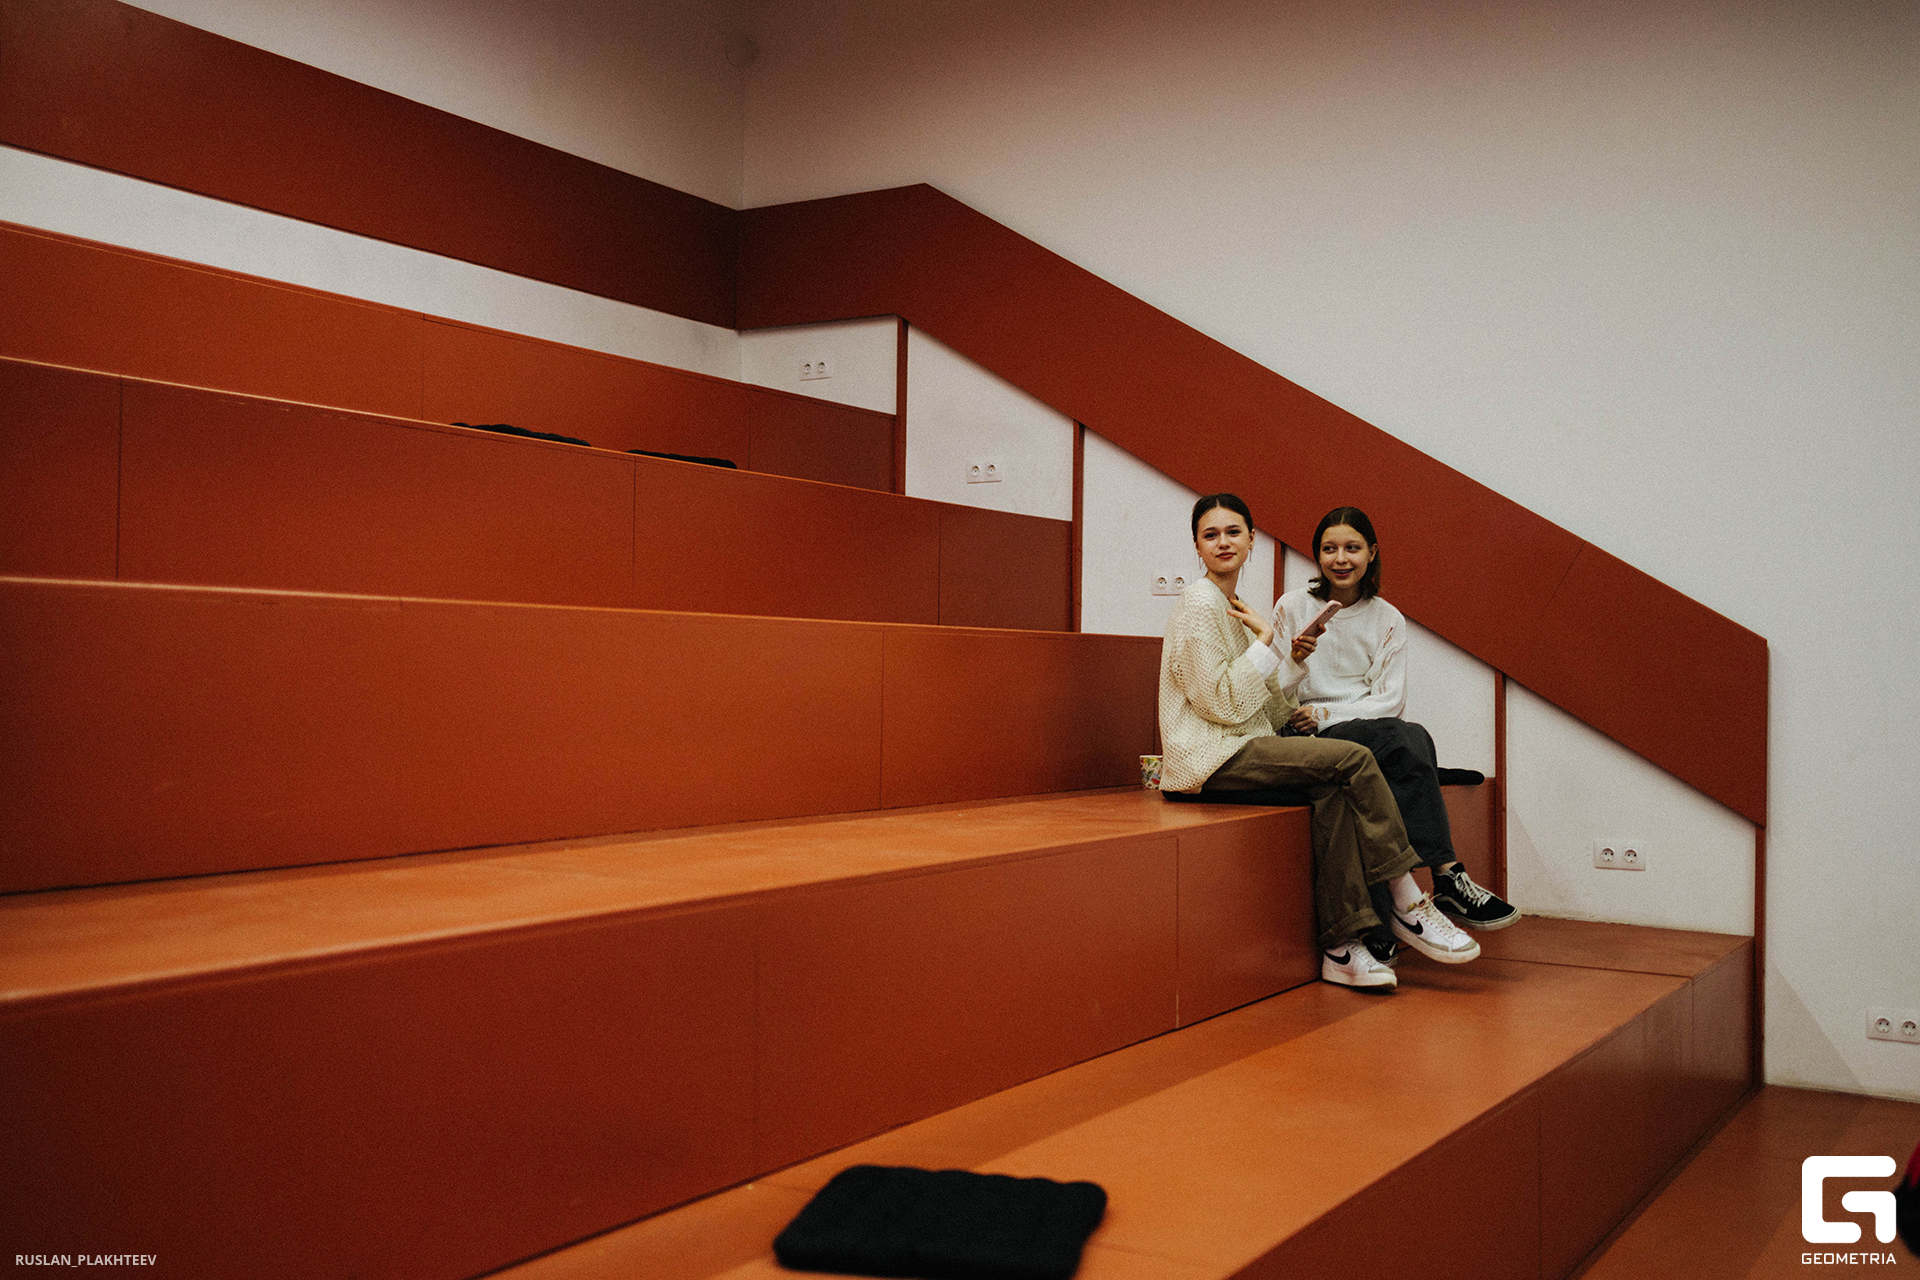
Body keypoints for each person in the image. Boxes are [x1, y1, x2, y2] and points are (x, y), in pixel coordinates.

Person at [1158, 494, 1481, 990]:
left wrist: (1291, 660)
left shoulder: (1234, 606)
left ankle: (1341, 948)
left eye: (1233, 532)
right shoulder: (1200, 604)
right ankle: (1408, 901)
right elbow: (1221, 704)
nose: (1223, 543)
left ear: (1251, 540)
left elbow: (1266, 709)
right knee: (1353, 758)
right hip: (1210, 756)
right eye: (1211, 535)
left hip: (1243, 742)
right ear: (1197, 546)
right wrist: (1266, 644)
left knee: (1335, 788)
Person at [1274, 505, 1520, 933]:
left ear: (1371, 552)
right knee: (1410, 739)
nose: (1340, 559)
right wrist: (1296, 661)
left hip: (1357, 726)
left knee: (1409, 735)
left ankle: (1424, 891)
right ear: (1317, 555)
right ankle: (1446, 875)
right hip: (1303, 731)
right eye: (1329, 549)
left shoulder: (1387, 617)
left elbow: (1389, 701)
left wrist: (1327, 712)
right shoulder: (1292, 606)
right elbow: (1271, 689)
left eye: (1352, 548)